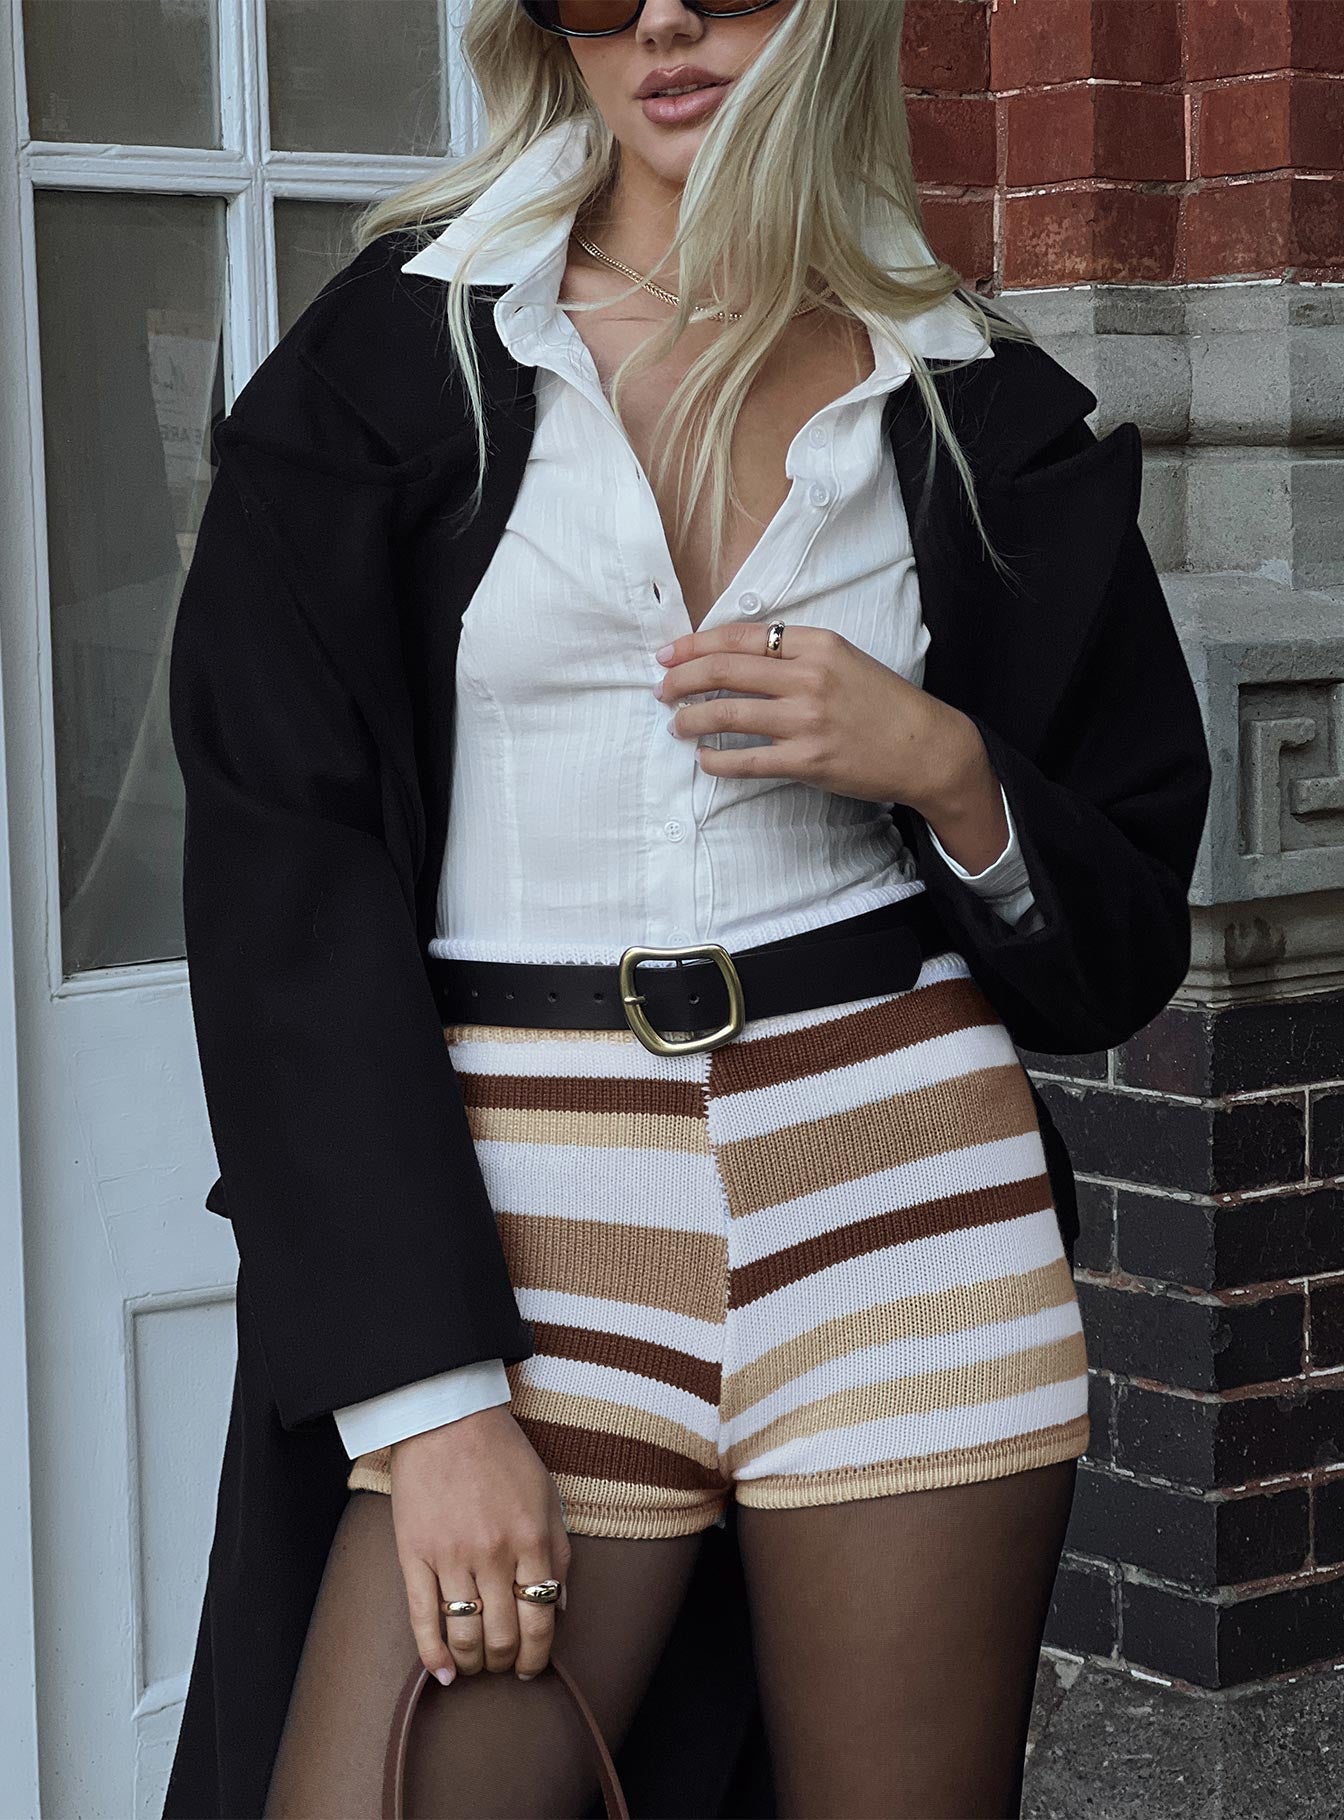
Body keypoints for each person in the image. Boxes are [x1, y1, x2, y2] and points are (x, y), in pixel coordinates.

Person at [164, 1, 1213, 1816]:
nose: (659, 20)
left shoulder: (967, 398)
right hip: (520, 1221)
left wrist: (942, 764)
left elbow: (1118, 936)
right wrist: (427, 1400)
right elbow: (280, 890)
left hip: (906, 1198)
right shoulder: (390, 370)